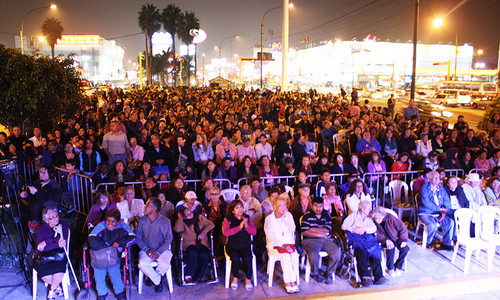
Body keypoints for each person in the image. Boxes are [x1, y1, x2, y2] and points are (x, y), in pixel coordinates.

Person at [88, 209, 136, 300]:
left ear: (118, 221)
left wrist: (119, 242)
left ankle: (120, 293)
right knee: (99, 274)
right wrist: (107, 247)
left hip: (115, 257)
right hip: (100, 256)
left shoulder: (123, 226)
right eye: (108, 221)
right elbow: (91, 238)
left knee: (115, 274)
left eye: (113, 221)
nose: (109, 223)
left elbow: (132, 237)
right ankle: (102, 294)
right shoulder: (101, 226)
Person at [342, 200, 387, 286]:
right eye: (369, 208)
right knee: (360, 251)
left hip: (367, 239)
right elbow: (344, 226)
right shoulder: (353, 216)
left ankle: (379, 276)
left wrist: (364, 229)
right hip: (357, 239)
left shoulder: (368, 219)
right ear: (362, 209)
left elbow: (374, 228)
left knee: (375, 250)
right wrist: (354, 229)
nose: (370, 210)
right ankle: (365, 277)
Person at [300, 197, 341, 284]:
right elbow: (304, 232)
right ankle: (316, 273)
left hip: (326, 240)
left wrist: (311, 229)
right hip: (310, 241)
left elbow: (327, 229)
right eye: (316, 206)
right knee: (313, 254)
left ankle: (328, 272)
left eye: (321, 206)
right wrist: (319, 233)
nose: (318, 208)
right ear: (311, 206)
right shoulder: (307, 215)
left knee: (336, 252)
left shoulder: (326, 214)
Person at [136, 198, 174, 293]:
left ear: (154, 208)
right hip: (146, 250)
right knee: (142, 264)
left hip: (162, 250)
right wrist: (147, 250)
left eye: (148, 205)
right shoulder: (142, 221)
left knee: (165, 264)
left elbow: (169, 239)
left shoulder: (165, 221)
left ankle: (153, 278)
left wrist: (158, 252)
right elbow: (138, 238)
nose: (145, 207)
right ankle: (158, 280)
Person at [264, 196, 300, 293]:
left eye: (284, 206)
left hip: (289, 245)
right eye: (280, 206)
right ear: (275, 206)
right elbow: (270, 236)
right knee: (286, 257)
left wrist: (287, 219)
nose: (283, 208)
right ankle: (289, 282)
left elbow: (293, 229)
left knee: (294, 256)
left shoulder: (288, 215)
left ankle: (293, 281)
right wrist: (282, 245)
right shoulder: (269, 219)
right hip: (275, 246)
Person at [33, 207, 68, 300]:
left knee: (59, 271)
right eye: (52, 218)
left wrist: (46, 242)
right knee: (45, 275)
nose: (56, 219)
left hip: (59, 256)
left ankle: (51, 292)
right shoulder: (40, 229)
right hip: (43, 258)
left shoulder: (63, 225)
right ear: (46, 220)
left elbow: (62, 240)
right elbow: (41, 249)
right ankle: (56, 286)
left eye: (56, 216)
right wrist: (55, 243)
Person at [222, 199, 257, 291]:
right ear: (233, 210)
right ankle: (235, 278)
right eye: (237, 208)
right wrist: (239, 227)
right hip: (232, 246)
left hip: (245, 244)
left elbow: (254, 232)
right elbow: (226, 233)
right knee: (235, 258)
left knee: (248, 258)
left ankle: (248, 278)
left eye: (241, 207)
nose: (240, 209)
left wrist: (246, 226)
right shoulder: (228, 219)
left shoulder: (247, 218)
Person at [174, 207, 215, 284]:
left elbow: (211, 224)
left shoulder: (199, 217)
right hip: (189, 244)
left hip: (201, 242)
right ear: (183, 214)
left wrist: (203, 233)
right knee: (193, 253)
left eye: (188, 209)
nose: (187, 210)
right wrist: (180, 218)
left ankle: (199, 276)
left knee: (204, 254)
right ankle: (188, 275)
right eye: (184, 211)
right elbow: (177, 229)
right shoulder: (182, 222)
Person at [418, 171, 454, 250]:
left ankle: (446, 243)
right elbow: (426, 203)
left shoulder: (441, 188)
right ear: (430, 179)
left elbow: (447, 201)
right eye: (435, 178)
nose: (438, 180)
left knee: (450, 222)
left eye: (438, 178)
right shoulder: (425, 188)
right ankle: (427, 242)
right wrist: (439, 209)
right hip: (426, 213)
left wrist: (444, 211)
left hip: (438, 213)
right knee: (432, 225)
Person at [371, 206, 409, 278]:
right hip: (384, 240)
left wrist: (403, 240)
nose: (378, 220)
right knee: (390, 248)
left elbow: (402, 228)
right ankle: (390, 268)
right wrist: (386, 240)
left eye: (379, 218)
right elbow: (377, 234)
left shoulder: (391, 218)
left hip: (395, 238)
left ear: (383, 216)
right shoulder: (373, 222)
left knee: (405, 249)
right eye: (376, 218)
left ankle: (398, 266)